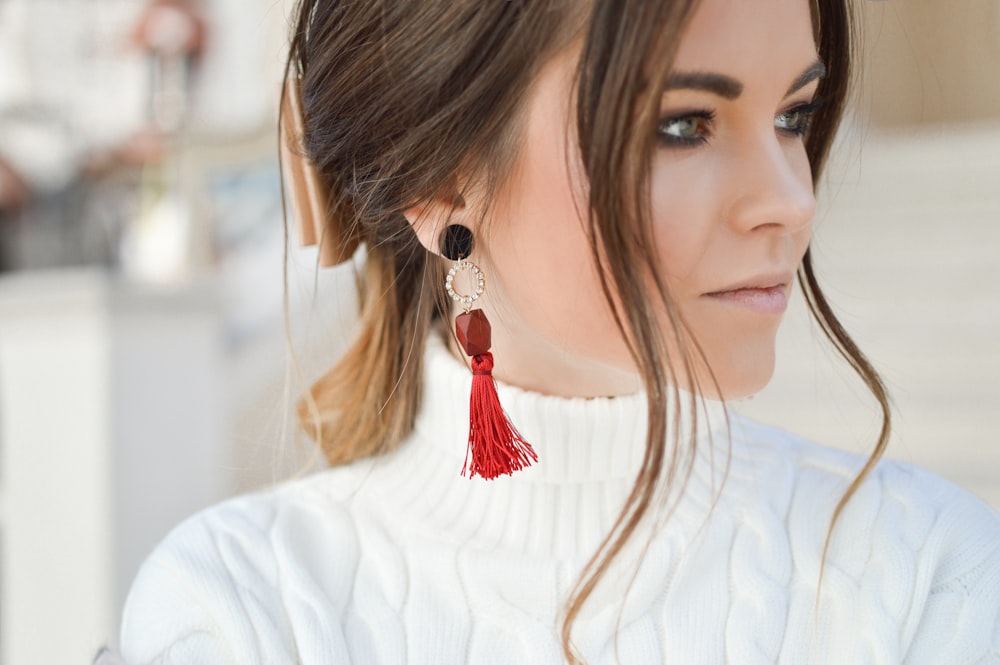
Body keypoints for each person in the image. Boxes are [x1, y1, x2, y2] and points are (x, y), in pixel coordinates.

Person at [119, 0, 1000, 662]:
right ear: (438, 178)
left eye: (794, 116)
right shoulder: (247, 609)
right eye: (683, 125)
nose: (791, 200)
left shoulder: (922, 572)